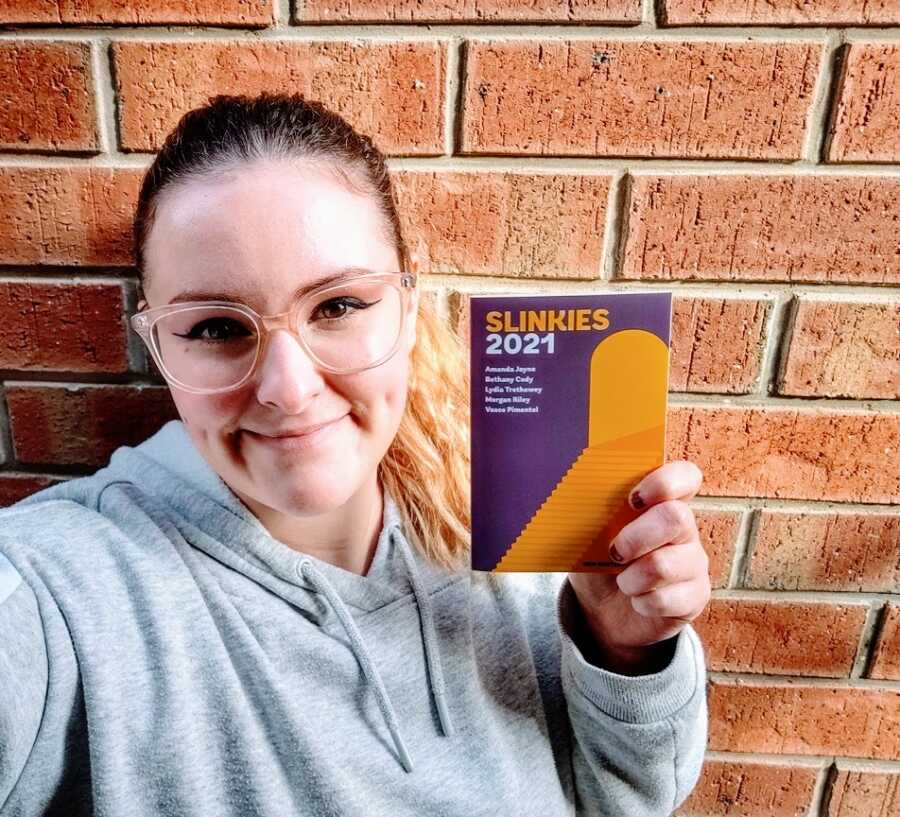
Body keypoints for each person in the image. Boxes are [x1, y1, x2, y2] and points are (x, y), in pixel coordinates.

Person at [0, 92, 711, 816]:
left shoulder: (519, 524)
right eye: (216, 327)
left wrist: (623, 653)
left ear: (408, 300)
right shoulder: (54, 586)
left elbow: (632, 797)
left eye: (337, 306)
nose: (288, 388)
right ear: (155, 341)